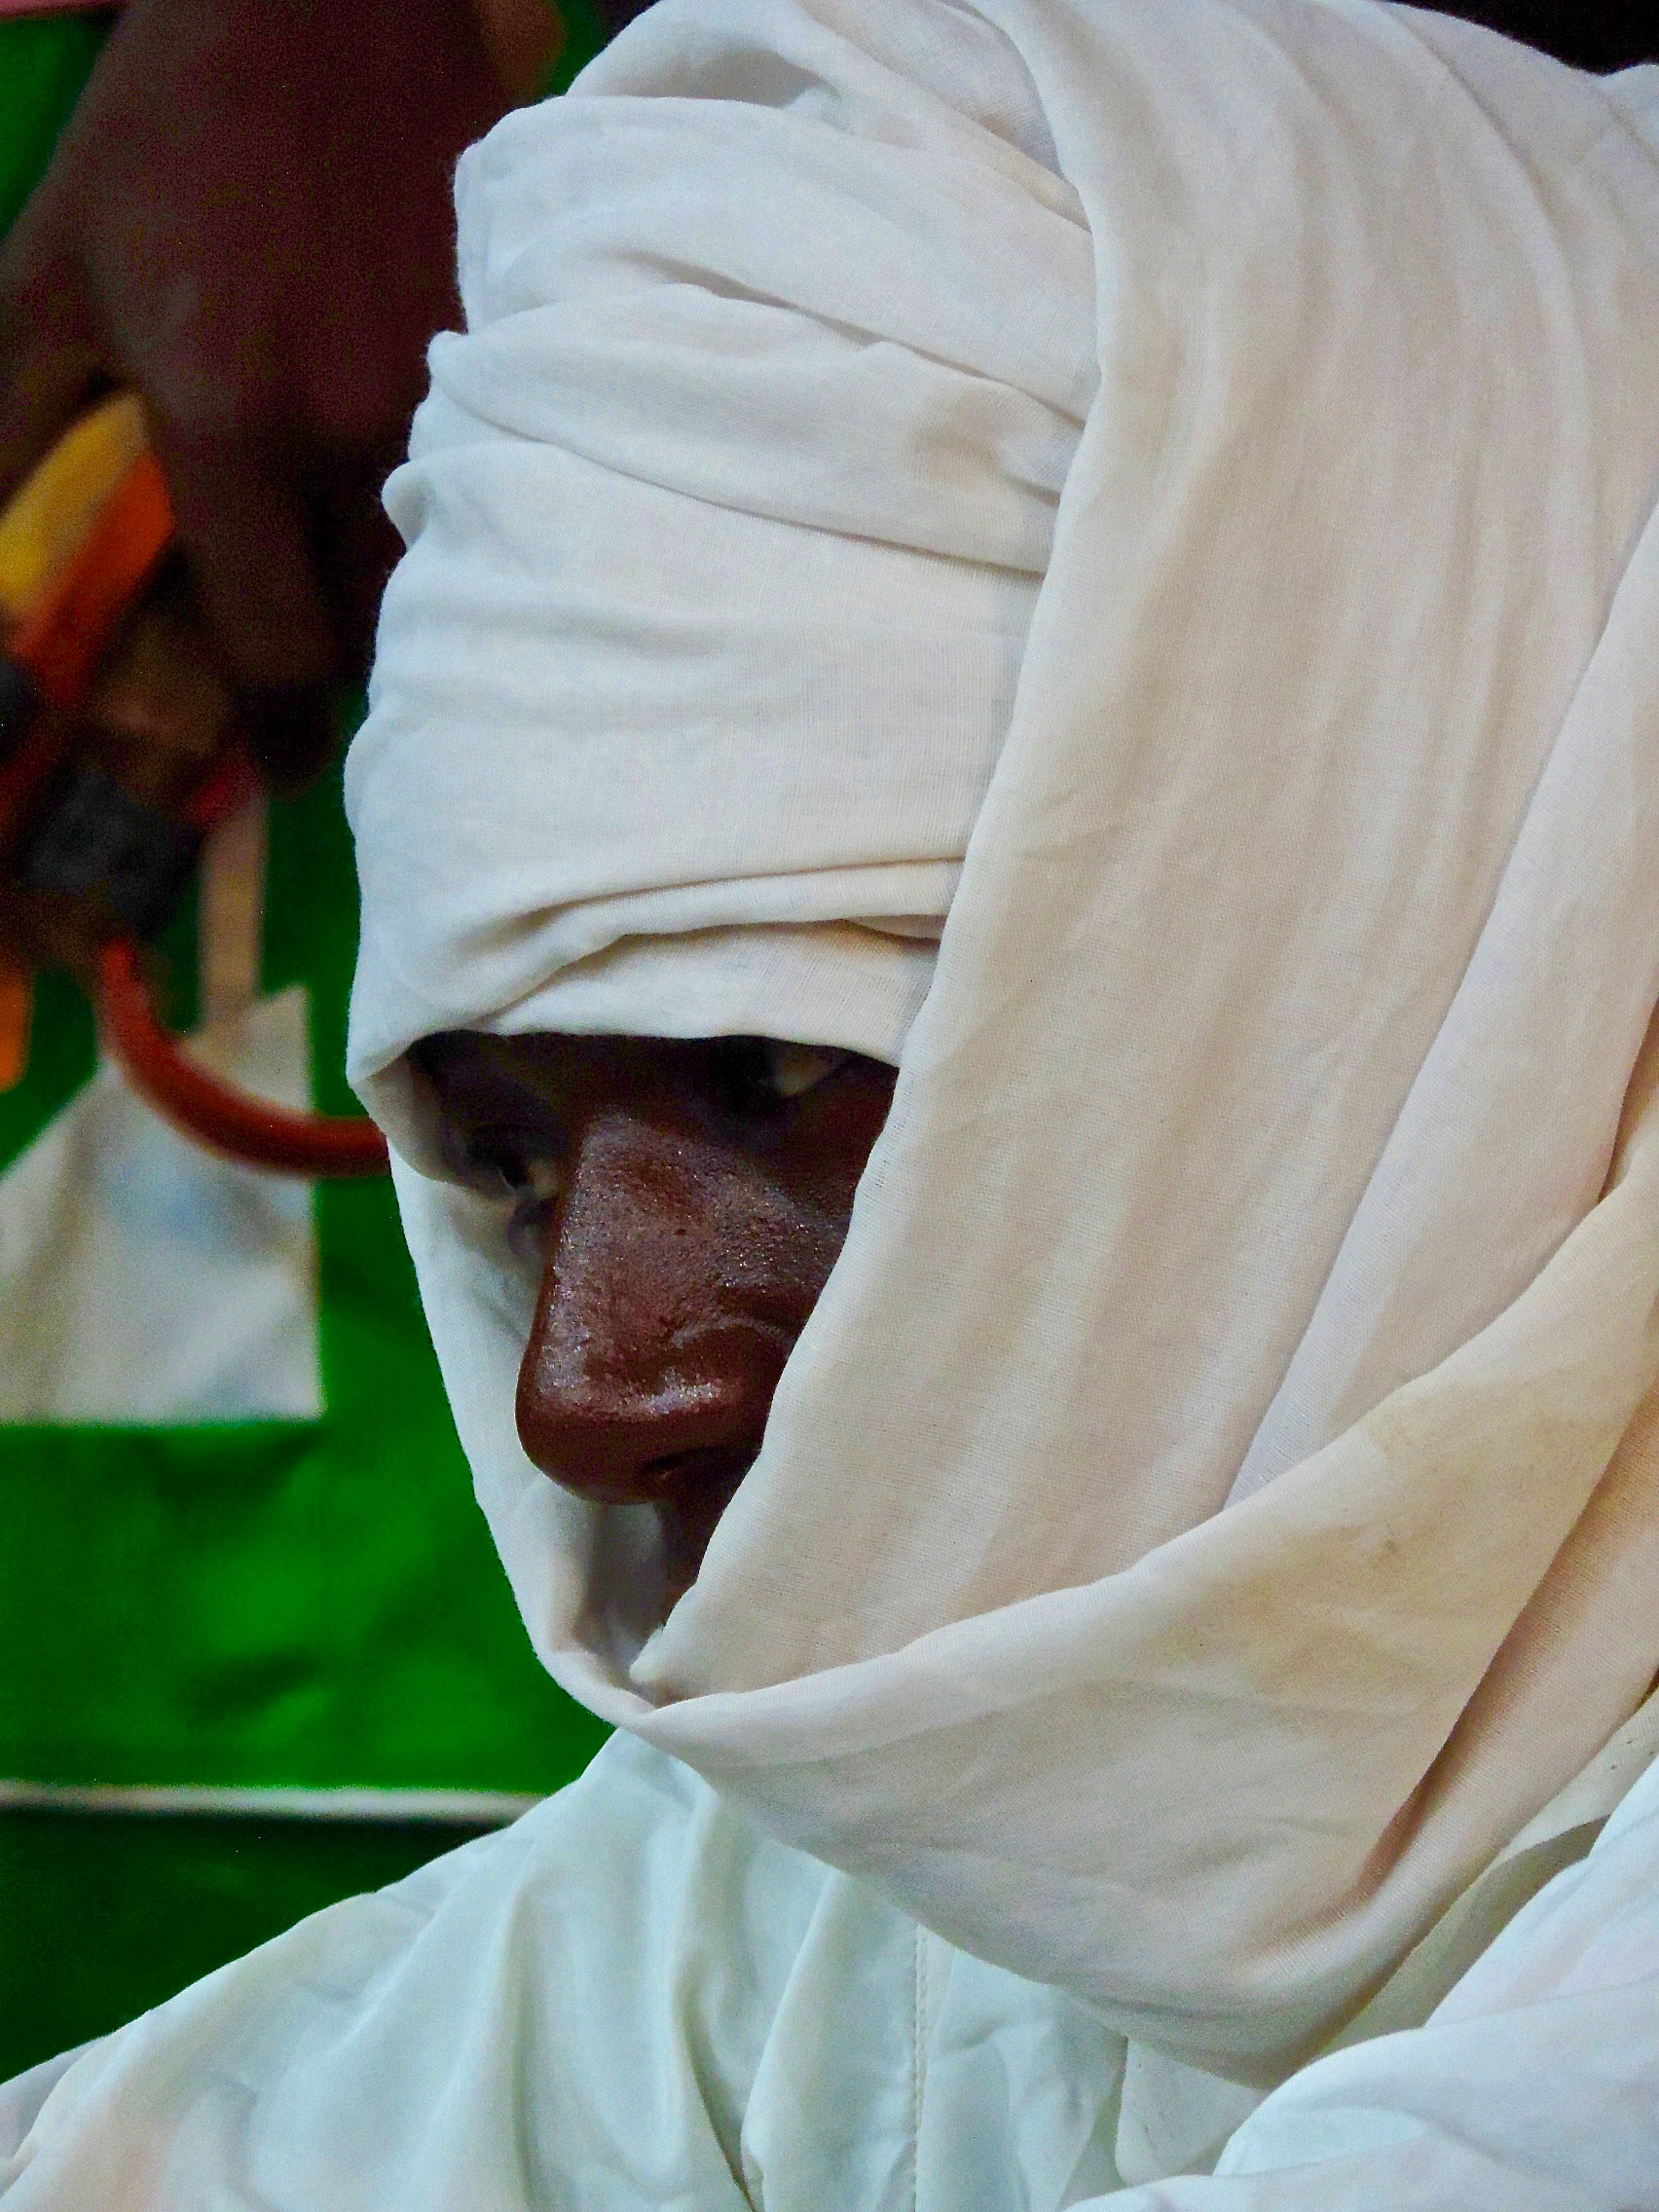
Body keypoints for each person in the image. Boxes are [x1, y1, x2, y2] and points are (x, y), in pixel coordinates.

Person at [6, 0, 1659, 2205]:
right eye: (505, 1157)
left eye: (772, 1073)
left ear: (1442, 927)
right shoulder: (960, 1839)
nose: (586, 1393)